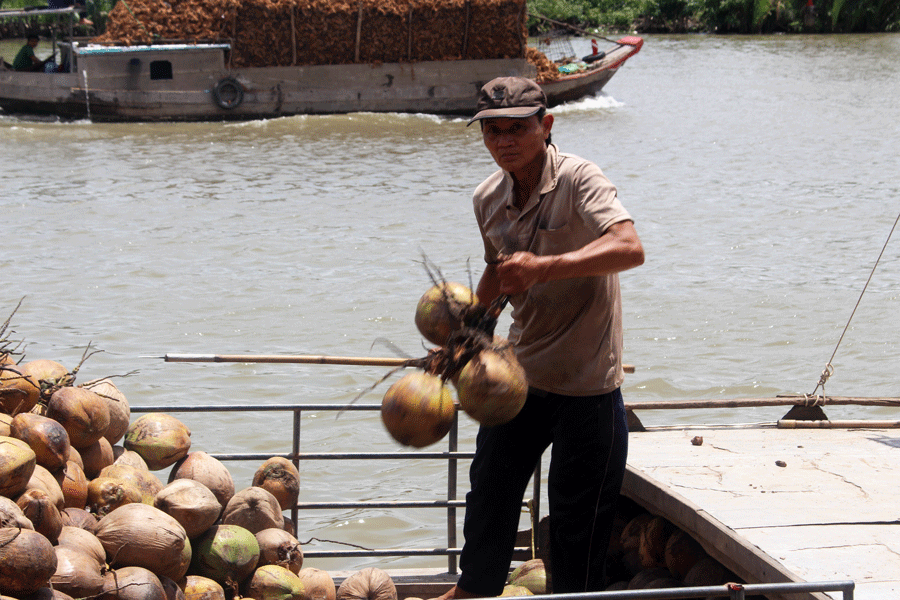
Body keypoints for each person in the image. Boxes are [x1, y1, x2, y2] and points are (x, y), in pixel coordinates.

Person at [435, 77, 644, 599]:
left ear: (545, 126)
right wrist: (465, 338)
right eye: (493, 131)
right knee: (488, 501)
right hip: (519, 379)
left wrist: (546, 268)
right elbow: (496, 276)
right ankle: (473, 593)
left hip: (588, 386)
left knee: (577, 531)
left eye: (518, 129)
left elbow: (629, 247)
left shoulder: (579, 179)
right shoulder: (488, 197)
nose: (505, 141)